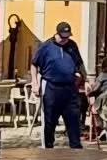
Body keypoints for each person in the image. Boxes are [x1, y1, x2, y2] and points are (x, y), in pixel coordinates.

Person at [32, 20, 85, 149]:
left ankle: (76, 151)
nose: (64, 40)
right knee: (49, 122)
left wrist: (85, 79)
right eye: (62, 37)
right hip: (51, 87)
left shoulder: (72, 46)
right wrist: (34, 82)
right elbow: (34, 64)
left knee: (73, 121)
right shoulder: (46, 47)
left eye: (67, 37)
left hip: (69, 88)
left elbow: (79, 63)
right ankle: (47, 150)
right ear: (57, 34)